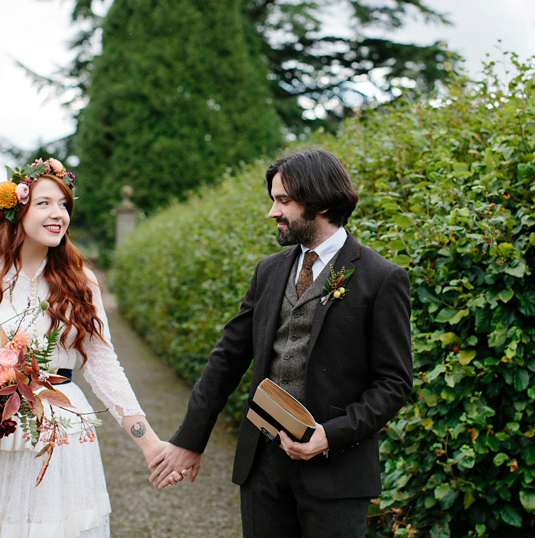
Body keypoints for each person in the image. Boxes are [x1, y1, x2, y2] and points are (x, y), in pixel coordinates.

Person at [149, 148, 413, 537]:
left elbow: (394, 383)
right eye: (274, 200)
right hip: (263, 467)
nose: (273, 212)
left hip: (337, 476)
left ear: (320, 201)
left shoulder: (381, 278)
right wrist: (191, 440)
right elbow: (227, 359)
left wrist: (330, 435)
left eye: (283, 201)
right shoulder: (269, 271)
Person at [0, 159, 177, 538]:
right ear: (16, 211)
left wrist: (150, 443)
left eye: (63, 205)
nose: (58, 214)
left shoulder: (80, 283)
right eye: (44, 203)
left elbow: (104, 365)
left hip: (61, 432)